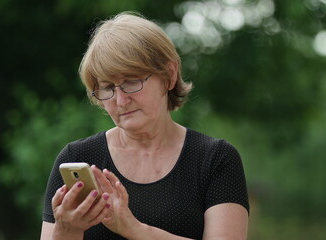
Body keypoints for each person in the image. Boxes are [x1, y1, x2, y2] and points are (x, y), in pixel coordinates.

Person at [40, 11, 249, 240]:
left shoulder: (215, 159)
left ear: (169, 75)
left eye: (131, 82)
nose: (120, 101)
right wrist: (67, 230)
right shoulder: (77, 157)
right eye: (108, 87)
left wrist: (134, 229)